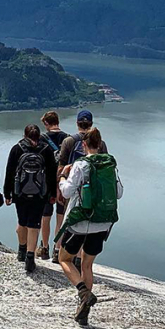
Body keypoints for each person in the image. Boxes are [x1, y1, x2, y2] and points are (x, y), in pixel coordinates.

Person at [55, 128, 122, 326]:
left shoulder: (81, 164)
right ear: (100, 144)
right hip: (103, 223)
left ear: (84, 145)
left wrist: (62, 178)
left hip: (80, 222)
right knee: (87, 264)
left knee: (64, 259)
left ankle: (84, 293)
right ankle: (83, 312)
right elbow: (119, 193)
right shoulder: (110, 164)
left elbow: (66, 193)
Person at [57, 109, 108, 269]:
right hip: (95, 196)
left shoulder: (69, 141)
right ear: (91, 124)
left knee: (71, 223)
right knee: (89, 224)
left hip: (73, 192)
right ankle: (80, 259)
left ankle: (61, 253)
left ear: (77, 123)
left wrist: (60, 184)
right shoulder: (102, 145)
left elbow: (60, 168)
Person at [5, 124, 57, 273]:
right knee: (34, 224)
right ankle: (30, 257)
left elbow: (9, 172)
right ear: (39, 135)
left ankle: (22, 249)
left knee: (22, 222)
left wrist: (7, 193)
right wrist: (53, 194)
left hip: (20, 193)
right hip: (40, 194)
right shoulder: (46, 149)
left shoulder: (17, 148)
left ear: (24, 135)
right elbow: (52, 174)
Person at [39, 111, 70, 260]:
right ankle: (57, 251)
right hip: (63, 182)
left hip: (46, 183)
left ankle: (44, 248)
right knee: (60, 217)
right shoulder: (68, 139)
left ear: (46, 123)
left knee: (45, 217)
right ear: (57, 121)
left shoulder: (41, 139)